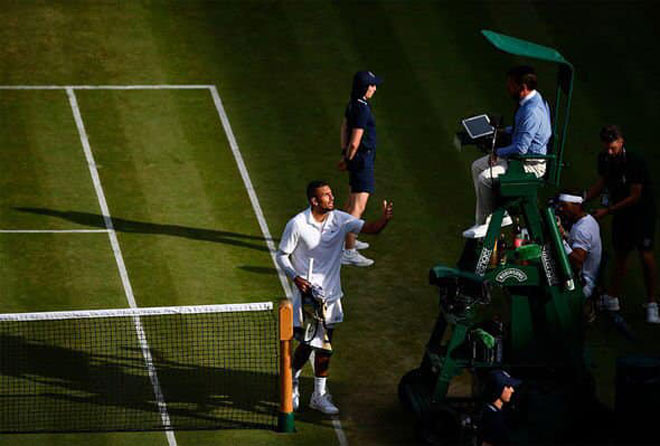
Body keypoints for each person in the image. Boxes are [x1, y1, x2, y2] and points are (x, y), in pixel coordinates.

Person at [276, 180, 393, 414]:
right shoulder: (297, 224)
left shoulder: (340, 219)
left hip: (330, 296)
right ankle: (293, 382)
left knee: (325, 347)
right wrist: (296, 277)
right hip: (307, 297)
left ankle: (318, 395)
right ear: (314, 201)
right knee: (307, 344)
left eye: (331, 194)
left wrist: (384, 219)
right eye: (326, 195)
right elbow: (282, 255)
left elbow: (370, 229)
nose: (332, 198)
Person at [464, 65, 552, 239]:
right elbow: (523, 130)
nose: (508, 88)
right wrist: (504, 131)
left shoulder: (532, 111)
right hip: (519, 160)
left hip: (529, 165)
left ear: (523, 87)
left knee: (485, 177)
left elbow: (521, 148)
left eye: (511, 84)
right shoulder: (532, 101)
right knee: (477, 166)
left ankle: (487, 222)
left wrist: (497, 152)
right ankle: (488, 218)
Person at [585, 125, 659, 323]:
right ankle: (612, 298)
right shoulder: (604, 158)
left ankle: (652, 304)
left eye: (613, 148)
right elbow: (603, 183)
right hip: (621, 213)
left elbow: (635, 196)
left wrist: (607, 211)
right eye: (607, 147)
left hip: (642, 214)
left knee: (645, 255)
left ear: (621, 142)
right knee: (621, 254)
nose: (610, 152)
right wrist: (583, 200)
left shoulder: (635, 161)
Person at [338, 70, 383, 267]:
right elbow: (355, 140)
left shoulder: (353, 104)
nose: (374, 88)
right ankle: (348, 251)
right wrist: (349, 158)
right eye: (371, 85)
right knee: (358, 207)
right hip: (362, 159)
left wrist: (344, 154)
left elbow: (344, 127)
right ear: (364, 88)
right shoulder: (363, 108)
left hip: (357, 159)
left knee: (350, 203)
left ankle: (346, 241)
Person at [556, 191, 603, 300]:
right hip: (588, 279)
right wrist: (565, 235)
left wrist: (561, 241)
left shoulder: (582, 230)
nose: (561, 209)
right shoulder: (588, 220)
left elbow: (578, 261)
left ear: (577, 205)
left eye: (564, 205)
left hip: (582, 286)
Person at [478, 370, 521, 446]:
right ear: (499, 388)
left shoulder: (496, 412)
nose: (512, 390)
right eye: (508, 386)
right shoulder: (492, 416)